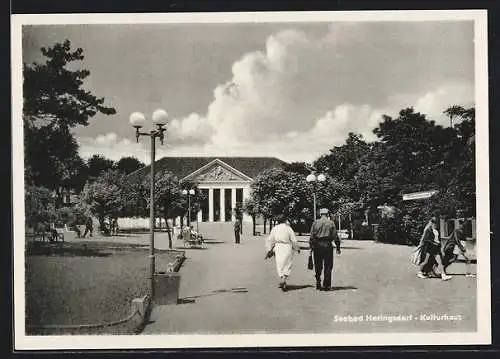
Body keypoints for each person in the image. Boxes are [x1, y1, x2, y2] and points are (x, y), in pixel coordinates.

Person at [265, 214, 300, 292]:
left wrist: (269, 249)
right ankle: (284, 278)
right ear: (285, 220)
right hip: (287, 247)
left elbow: (270, 239)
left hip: (278, 247)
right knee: (287, 263)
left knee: (279, 263)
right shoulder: (288, 228)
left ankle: (281, 276)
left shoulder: (275, 228)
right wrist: (297, 248)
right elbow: (293, 239)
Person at [310, 208, 341, 291]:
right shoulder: (331, 223)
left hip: (317, 245)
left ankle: (318, 281)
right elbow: (335, 236)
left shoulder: (315, 223)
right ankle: (326, 285)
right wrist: (338, 247)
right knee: (328, 265)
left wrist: (311, 247)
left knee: (318, 265)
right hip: (327, 245)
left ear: (320, 214)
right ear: (328, 214)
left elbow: (312, 236)